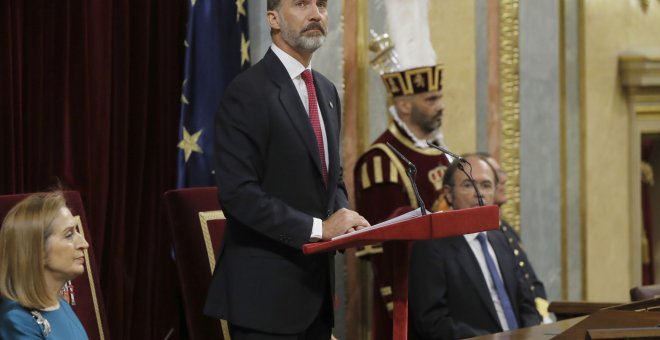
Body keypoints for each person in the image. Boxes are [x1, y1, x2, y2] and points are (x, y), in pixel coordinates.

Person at [203, 0, 370, 339]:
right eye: (301, 4)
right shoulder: (247, 92)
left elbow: (330, 176)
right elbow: (239, 196)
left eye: (322, 5)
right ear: (273, 18)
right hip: (265, 302)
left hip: (316, 296)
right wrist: (320, 228)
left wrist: (345, 216)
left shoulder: (326, 90)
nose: (315, 14)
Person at [353, 1, 450, 337]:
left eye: (439, 97)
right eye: (431, 100)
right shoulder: (380, 161)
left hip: (454, 293)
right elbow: (383, 251)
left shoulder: (444, 154)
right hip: (415, 301)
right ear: (404, 105)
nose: (440, 106)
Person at [409, 155, 541, 339]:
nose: (479, 193)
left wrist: (531, 334)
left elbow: (527, 303)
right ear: (448, 193)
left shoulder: (501, 238)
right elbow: (432, 321)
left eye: (486, 186)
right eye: (468, 185)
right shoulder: (431, 247)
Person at [0, 192, 89, 339]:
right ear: (36, 250)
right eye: (69, 235)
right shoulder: (17, 321)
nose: (84, 244)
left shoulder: (59, 303)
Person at [478, 154, 551, 322]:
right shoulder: (480, 235)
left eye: (501, 173)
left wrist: (542, 315)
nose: (503, 179)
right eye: (495, 175)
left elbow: (529, 280)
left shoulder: (505, 229)